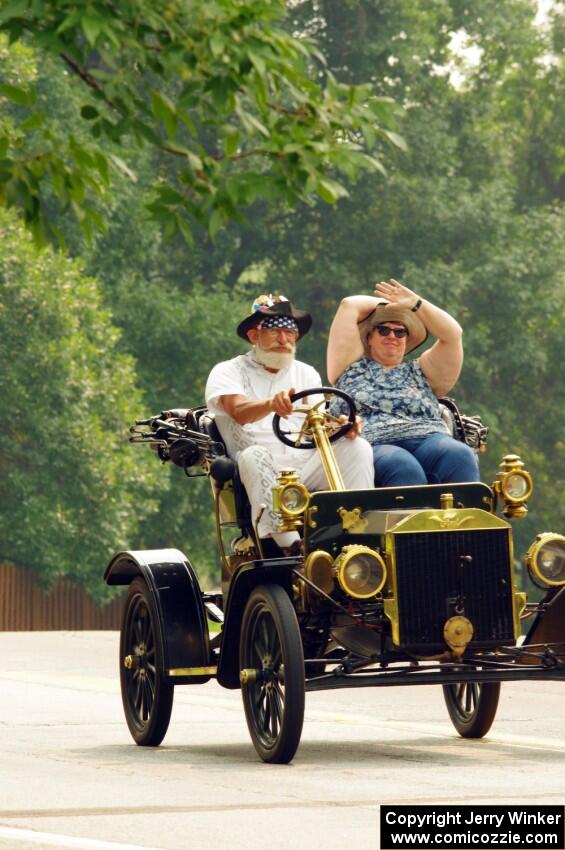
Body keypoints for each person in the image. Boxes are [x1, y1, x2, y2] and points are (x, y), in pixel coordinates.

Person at [205, 294, 374, 554]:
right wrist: (271, 404)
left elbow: (315, 425)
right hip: (258, 472)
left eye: (290, 332)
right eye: (275, 332)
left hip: (304, 467)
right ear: (254, 336)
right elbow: (238, 411)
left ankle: (357, 541)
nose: (284, 340)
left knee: (358, 447)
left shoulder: (305, 373)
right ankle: (293, 549)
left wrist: (340, 426)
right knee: (252, 455)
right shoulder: (228, 371)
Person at [326, 279, 479, 487]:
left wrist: (416, 303)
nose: (392, 336)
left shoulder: (422, 370)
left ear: (406, 339)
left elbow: (453, 334)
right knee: (403, 466)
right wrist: (389, 303)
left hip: (427, 438)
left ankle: (465, 519)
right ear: (369, 337)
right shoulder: (349, 368)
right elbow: (349, 305)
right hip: (374, 442)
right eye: (383, 329)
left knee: (459, 454)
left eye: (400, 332)